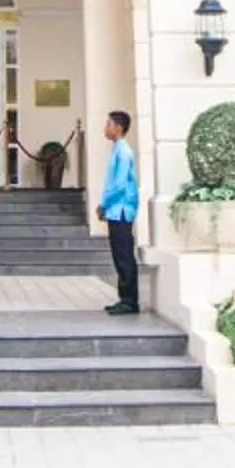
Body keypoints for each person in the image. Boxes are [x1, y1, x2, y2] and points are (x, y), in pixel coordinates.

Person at [99, 109, 142, 316]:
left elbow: (119, 185)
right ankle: (125, 299)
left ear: (118, 127)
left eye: (108, 124)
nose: (105, 128)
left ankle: (129, 301)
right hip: (116, 211)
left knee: (124, 256)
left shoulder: (123, 151)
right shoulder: (117, 149)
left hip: (121, 210)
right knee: (120, 255)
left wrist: (103, 204)